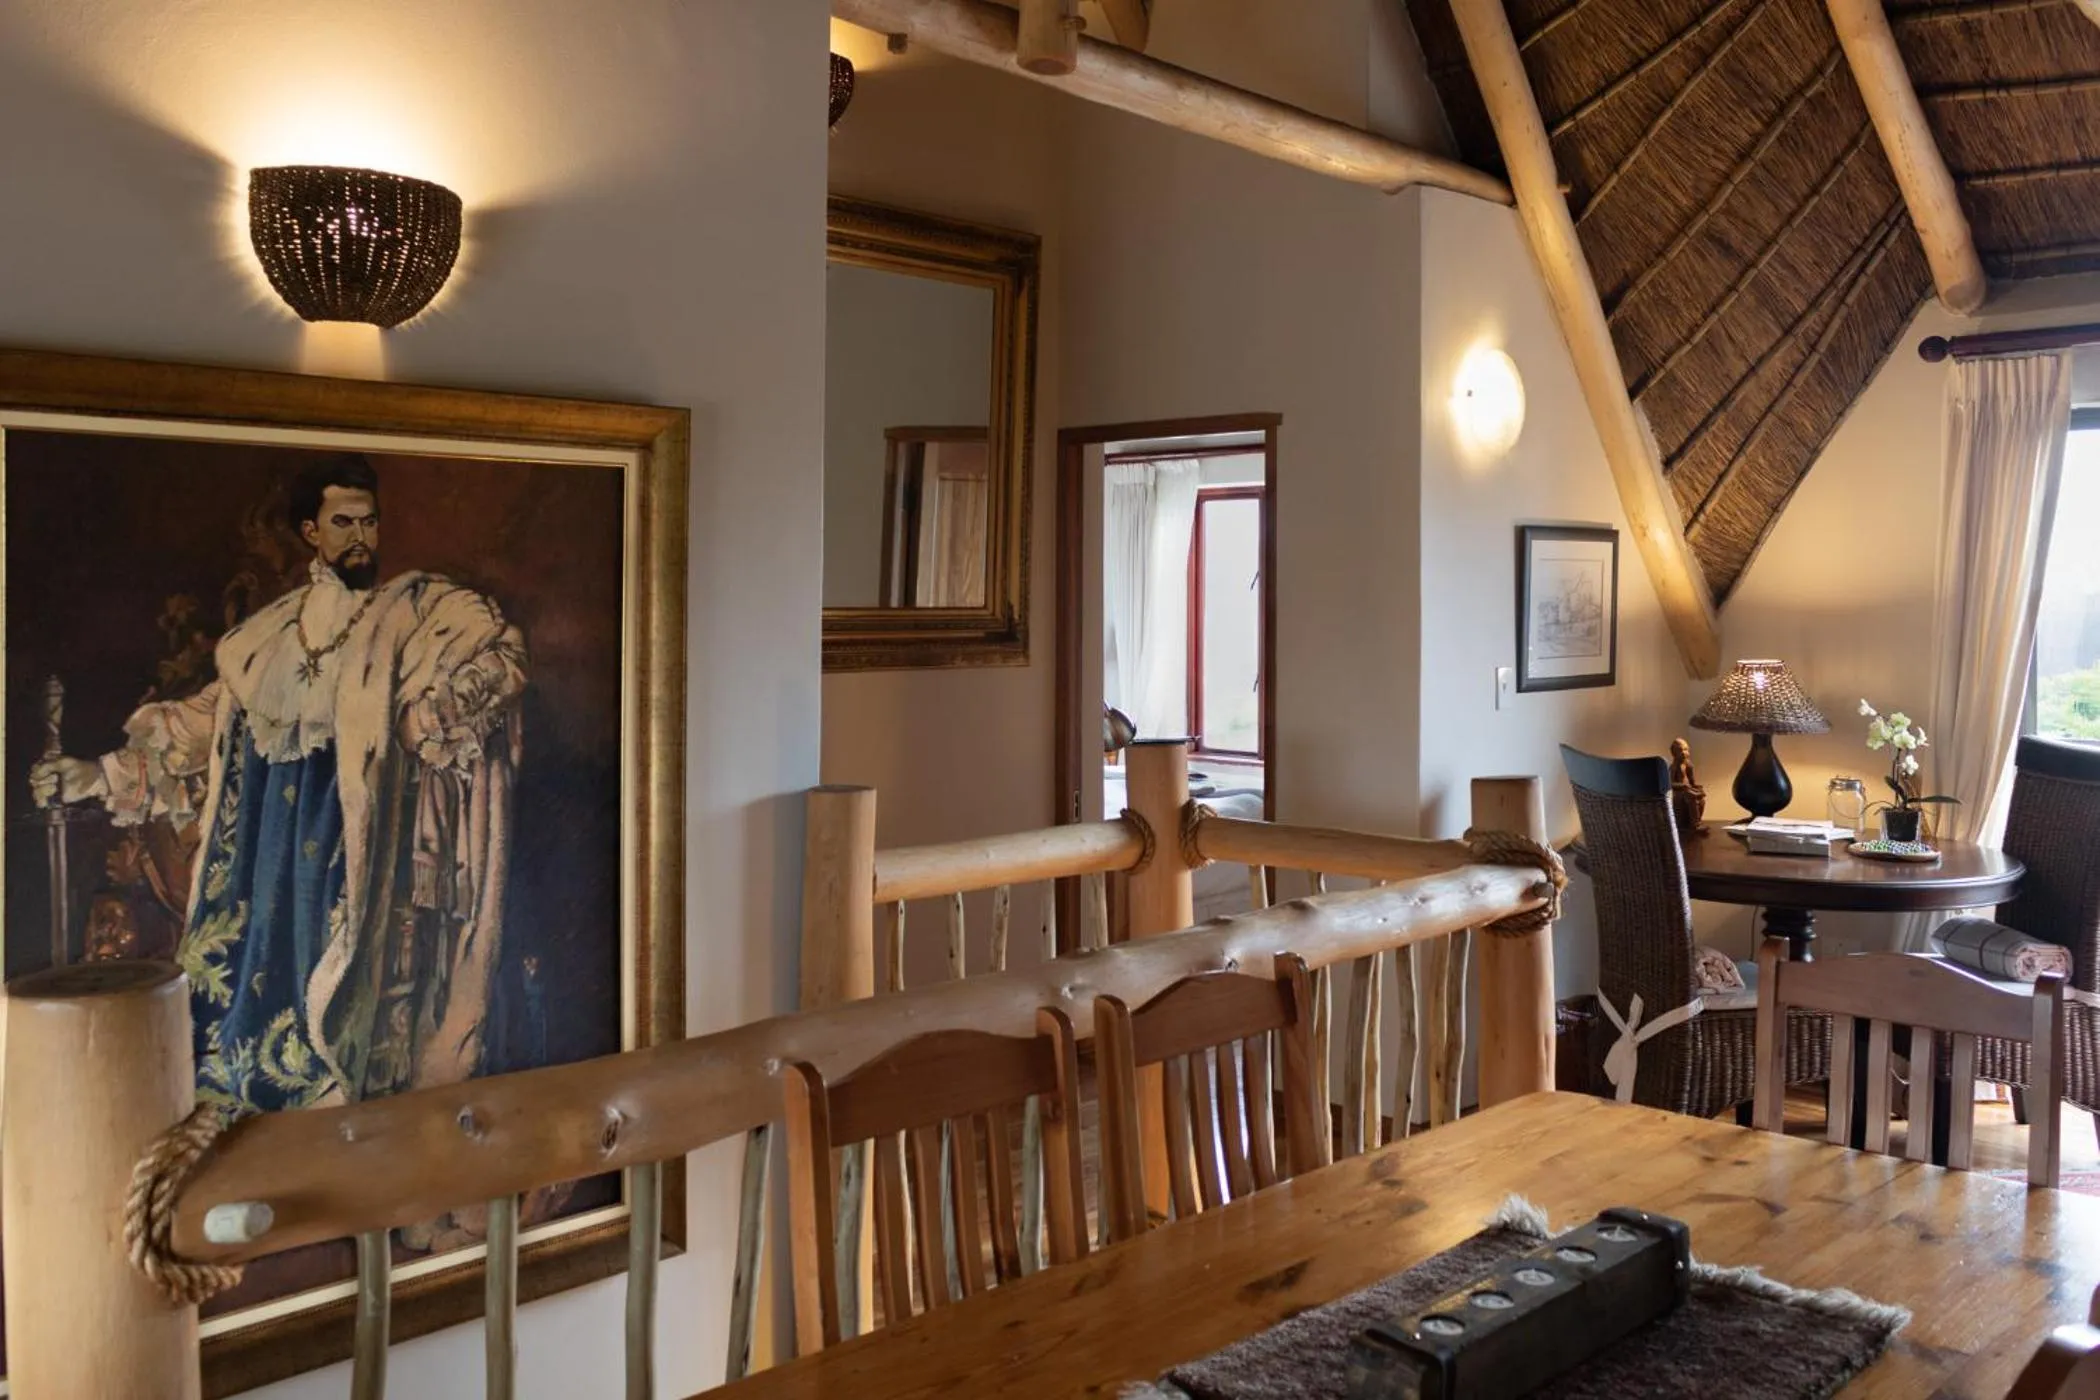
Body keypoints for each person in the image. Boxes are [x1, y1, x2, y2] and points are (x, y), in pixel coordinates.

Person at [31, 457, 527, 1114]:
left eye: (370, 522)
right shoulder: (267, 637)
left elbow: (503, 662)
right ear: (311, 533)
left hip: (353, 860)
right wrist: (96, 774)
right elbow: (198, 730)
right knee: (240, 1032)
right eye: (343, 522)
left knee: (330, 1026)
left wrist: (428, 716)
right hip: (267, 869)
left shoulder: (416, 613)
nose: (361, 538)